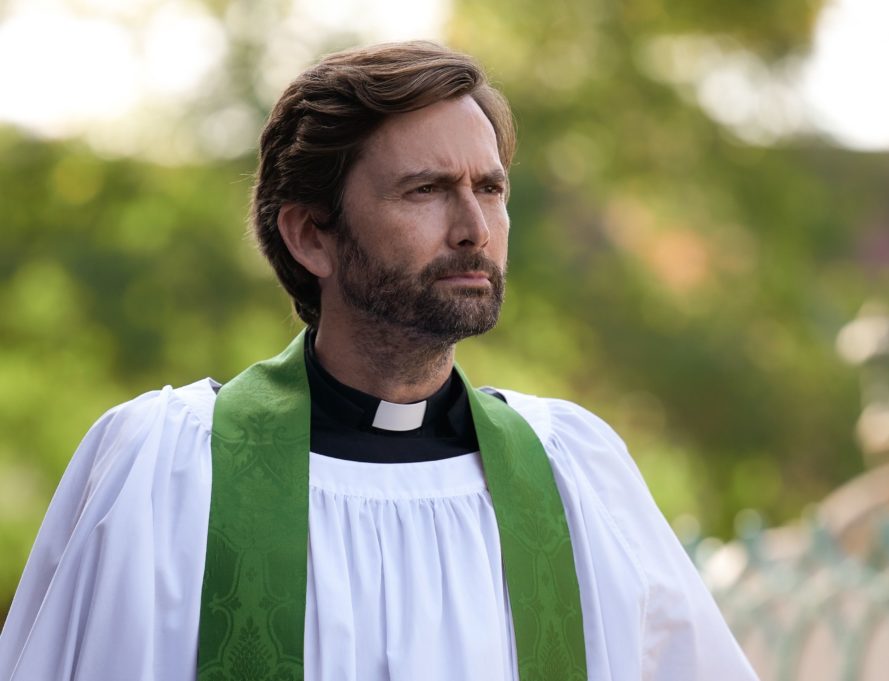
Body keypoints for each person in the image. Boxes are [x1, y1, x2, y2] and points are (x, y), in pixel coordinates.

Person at [0, 42, 757, 681]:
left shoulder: (573, 474)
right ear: (311, 236)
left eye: (490, 188)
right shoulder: (166, 472)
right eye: (426, 189)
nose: (474, 228)